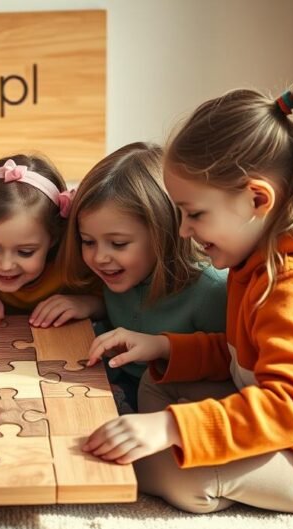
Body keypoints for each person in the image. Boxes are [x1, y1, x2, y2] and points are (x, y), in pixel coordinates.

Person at [83, 86, 293, 518]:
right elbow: (244, 355)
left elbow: (290, 407)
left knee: (164, 470)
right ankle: (200, 442)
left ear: (257, 199)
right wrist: (165, 347)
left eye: (194, 214)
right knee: (158, 380)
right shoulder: (254, 262)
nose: (182, 230)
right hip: (290, 421)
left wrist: (169, 428)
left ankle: (211, 469)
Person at [61, 142, 226, 411]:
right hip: (119, 386)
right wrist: (92, 304)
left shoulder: (212, 290)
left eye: (118, 244)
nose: (99, 257)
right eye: (88, 241)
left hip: (178, 407)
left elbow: (233, 363)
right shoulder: (116, 272)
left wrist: (164, 347)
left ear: (163, 234)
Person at [0, 153, 102, 328]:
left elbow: (113, 303)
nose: (6, 265)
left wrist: (87, 304)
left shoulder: (77, 261)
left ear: (54, 238)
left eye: (25, 252)